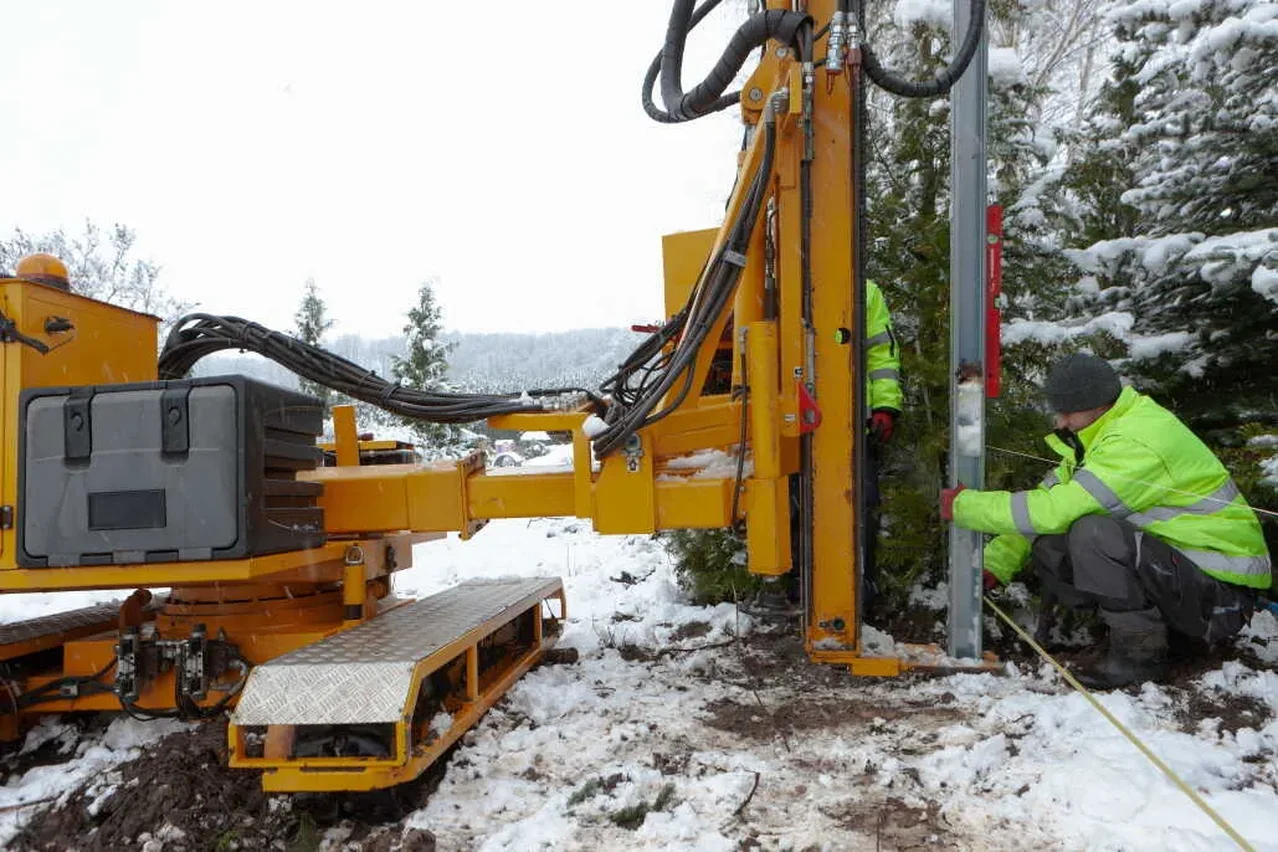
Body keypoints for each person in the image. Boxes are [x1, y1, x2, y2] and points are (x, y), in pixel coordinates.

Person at [940, 352, 1271, 688]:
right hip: (1190, 577)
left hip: (1223, 597)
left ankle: (1138, 656)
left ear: (1095, 403)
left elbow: (1056, 510)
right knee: (1053, 544)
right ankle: (1159, 638)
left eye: (1068, 411)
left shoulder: (1136, 440)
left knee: (1091, 532)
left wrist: (967, 507)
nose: (1061, 422)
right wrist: (998, 561)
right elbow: (1045, 508)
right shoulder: (1100, 436)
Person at [862, 279, 902, 609]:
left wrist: (885, 406)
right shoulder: (782, 279)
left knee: (862, 508)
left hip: (852, 427)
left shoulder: (865, 289)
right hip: (793, 427)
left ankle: (862, 589)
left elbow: (881, 352)